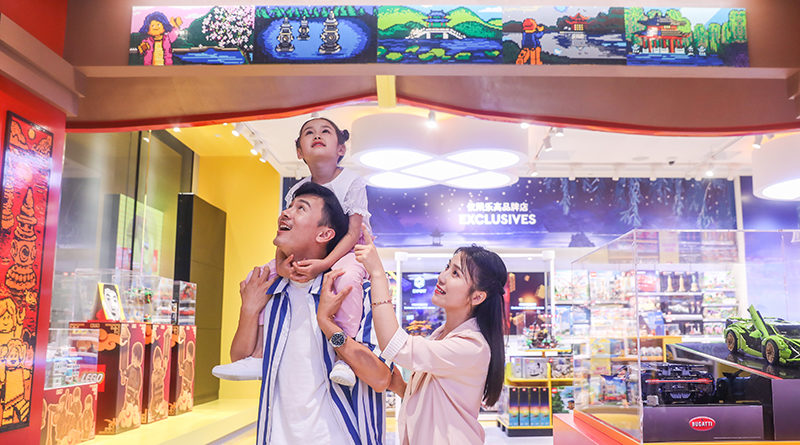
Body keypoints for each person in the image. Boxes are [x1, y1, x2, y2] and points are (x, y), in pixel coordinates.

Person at [213, 117, 370, 386]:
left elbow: (353, 233)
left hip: (348, 250)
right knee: (262, 276)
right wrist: (281, 264)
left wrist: (325, 264)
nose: (317, 135)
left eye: (325, 131)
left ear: (341, 149)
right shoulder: (297, 189)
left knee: (348, 279)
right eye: (309, 133)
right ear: (299, 151)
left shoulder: (352, 182)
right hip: (312, 251)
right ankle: (260, 353)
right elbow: (284, 233)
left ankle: (345, 352)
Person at [232, 182, 391, 444]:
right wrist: (248, 310)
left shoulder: (352, 292)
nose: (286, 213)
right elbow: (240, 359)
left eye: (301, 209)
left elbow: (381, 378)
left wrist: (328, 325)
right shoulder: (270, 291)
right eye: (289, 206)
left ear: (324, 234)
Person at [325, 224, 507, 444]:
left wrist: (377, 275)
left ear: (477, 297)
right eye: (447, 267)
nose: (442, 277)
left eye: (455, 273)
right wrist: (400, 386)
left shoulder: (471, 346)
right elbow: (436, 400)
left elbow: (394, 344)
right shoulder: (441, 336)